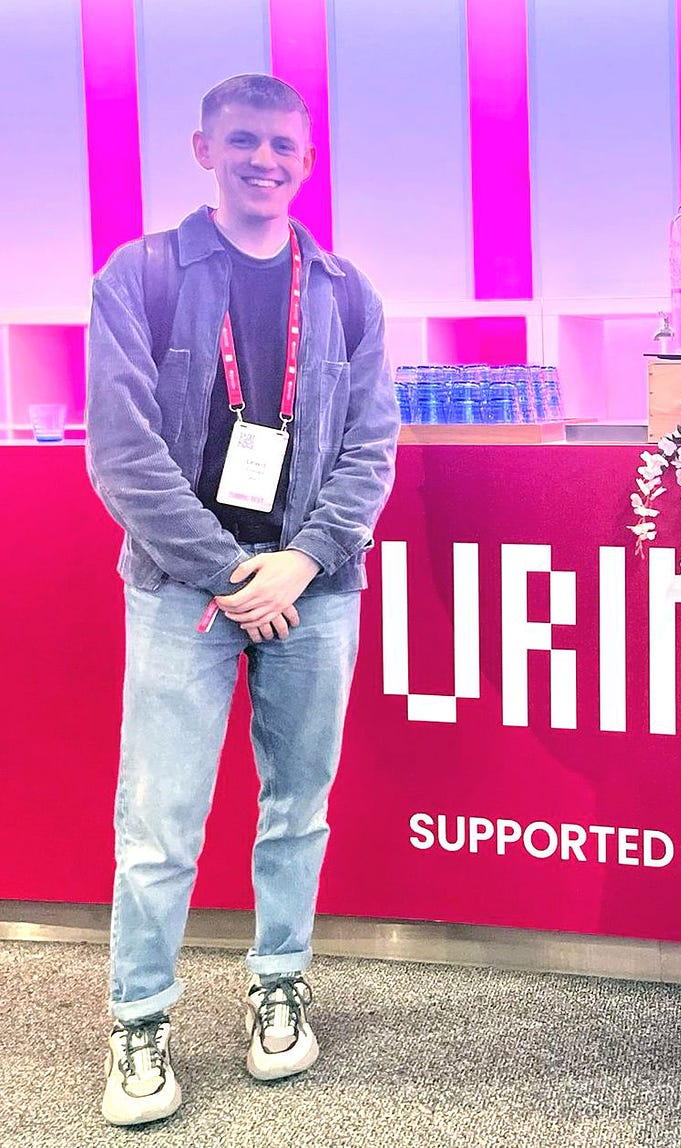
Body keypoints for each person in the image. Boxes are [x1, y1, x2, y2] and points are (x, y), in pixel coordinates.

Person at [85, 74, 398, 1126]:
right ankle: (138, 1020)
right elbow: (124, 457)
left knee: (296, 806)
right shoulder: (141, 275)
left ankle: (278, 982)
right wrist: (231, 571)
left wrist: (301, 561)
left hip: (315, 588)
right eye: (246, 142)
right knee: (161, 822)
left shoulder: (347, 289)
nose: (266, 161)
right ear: (203, 147)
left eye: (285, 148)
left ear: (306, 161)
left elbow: (370, 449)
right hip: (186, 587)